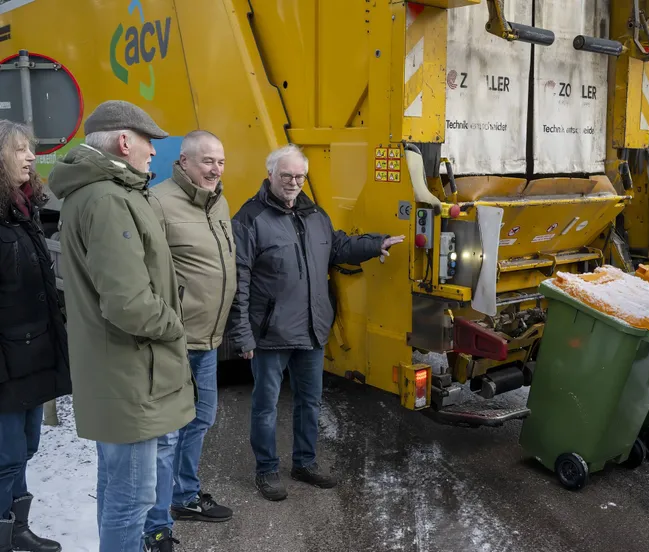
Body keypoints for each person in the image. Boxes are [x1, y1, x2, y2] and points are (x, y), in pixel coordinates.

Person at [48, 101, 194, 552]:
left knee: (118, 490)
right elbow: (129, 304)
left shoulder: (104, 192)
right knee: (131, 500)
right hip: (130, 375)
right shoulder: (109, 199)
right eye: (149, 142)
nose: (154, 153)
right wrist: (175, 325)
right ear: (125, 141)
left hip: (120, 371)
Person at [229, 144, 404, 501]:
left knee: (310, 401)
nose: (294, 182)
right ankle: (267, 470)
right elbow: (239, 278)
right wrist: (242, 334)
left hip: (311, 330)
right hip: (270, 334)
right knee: (265, 406)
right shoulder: (249, 218)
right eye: (286, 176)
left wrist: (375, 244)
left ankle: (304, 463)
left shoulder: (314, 214)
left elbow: (336, 247)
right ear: (270, 175)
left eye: (299, 176)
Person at [143, 130, 235, 544]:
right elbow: (145, 275)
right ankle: (157, 522)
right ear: (183, 161)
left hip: (210, 340)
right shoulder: (158, 202)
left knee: (201, 420)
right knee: (167, 435)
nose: (215, 169)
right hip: (175, 341)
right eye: (207, 161)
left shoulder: (220, 203)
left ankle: (184, 495)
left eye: (220, 162)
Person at [0, 120, 71, 552]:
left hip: (32, 352)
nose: (30, 157)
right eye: (19, 149)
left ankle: (16, 528)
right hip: (6, 363)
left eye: (30, 149)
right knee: (5, 458)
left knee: (24, 448)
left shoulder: (21, 211)